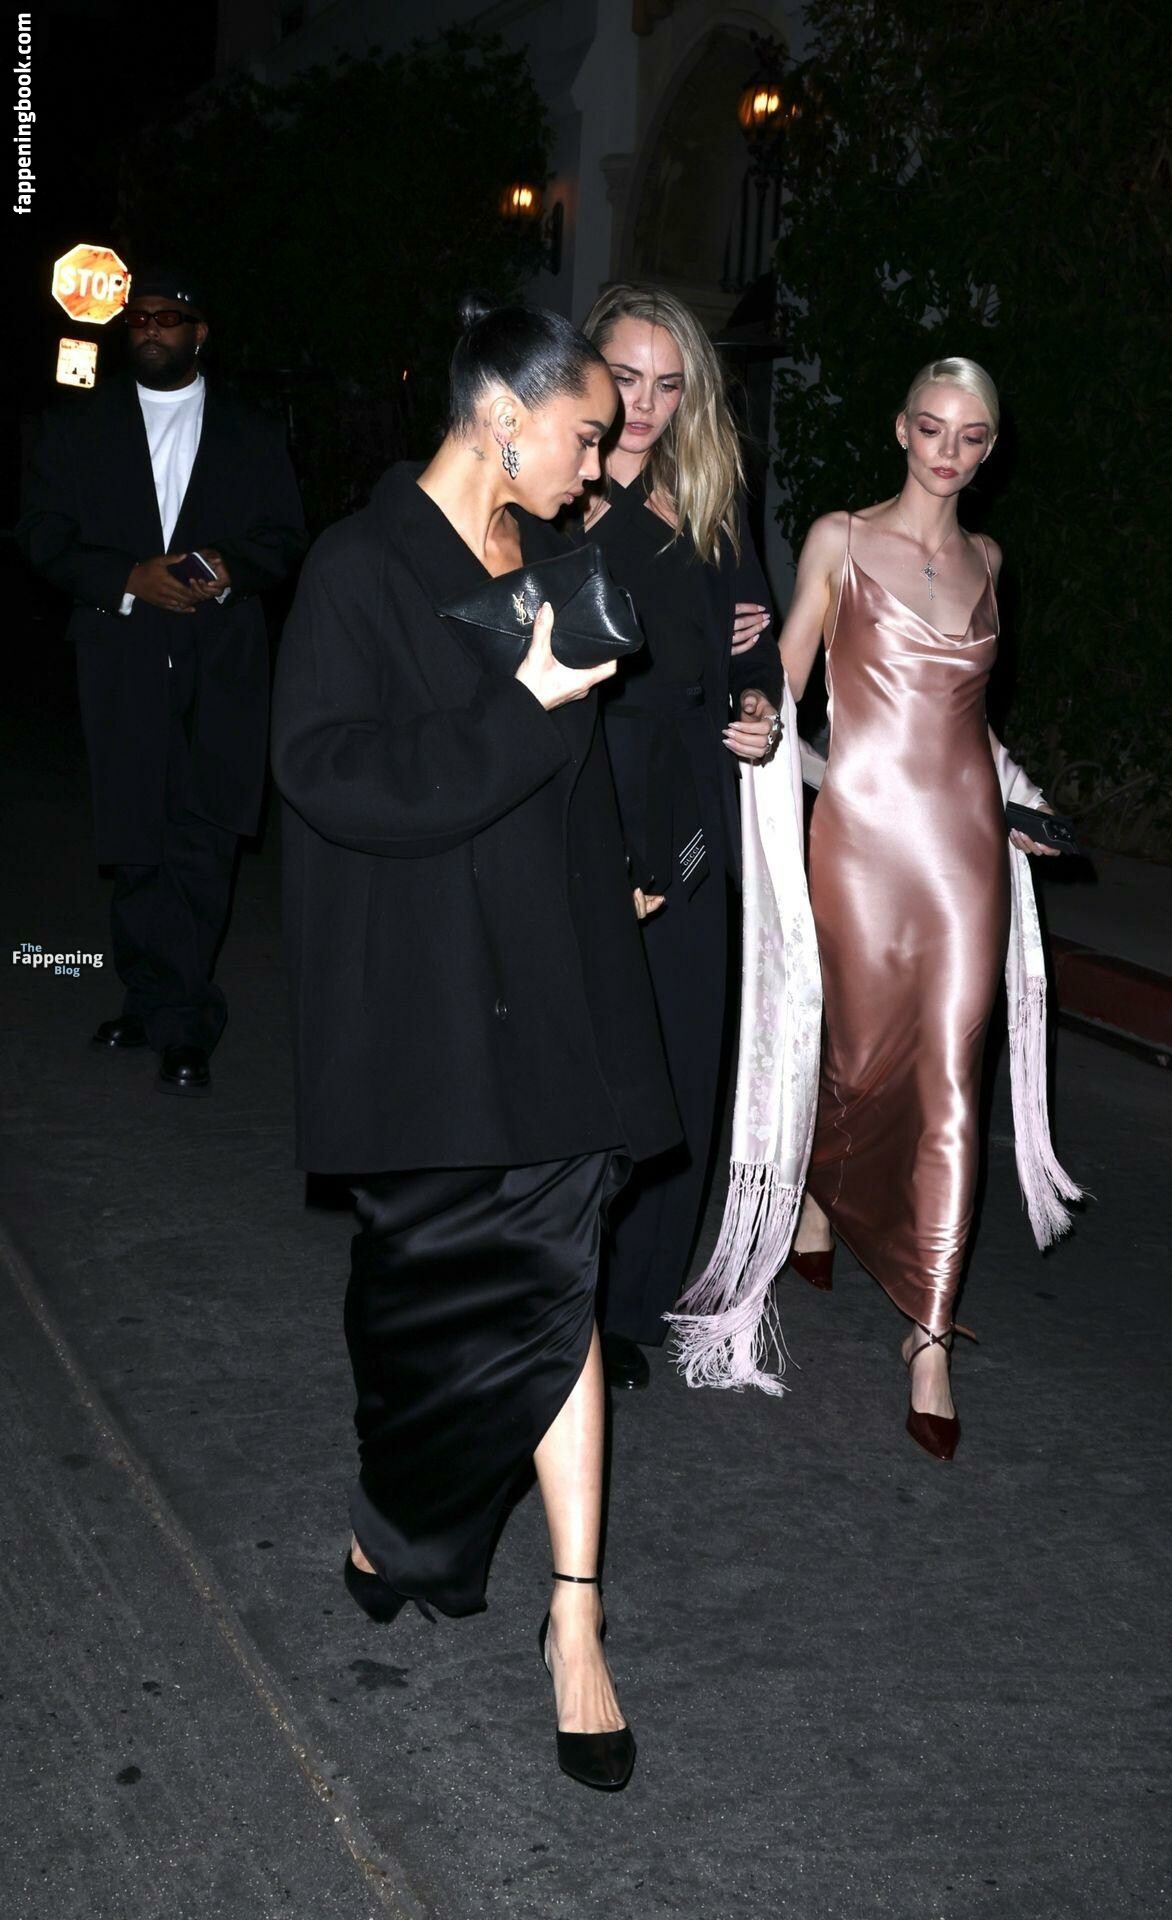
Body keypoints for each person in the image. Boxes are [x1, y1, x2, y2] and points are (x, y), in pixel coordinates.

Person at [270, 300, 679, 1792]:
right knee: (420, 1313)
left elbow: (579, 777)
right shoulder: (358, 569)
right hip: (424, 1016)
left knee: (558, 1287)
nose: (599, 466)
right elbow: (331, 779)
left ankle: (576, 1620)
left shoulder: (552, 561)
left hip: (552, 998)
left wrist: (627, 866)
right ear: (504, 417)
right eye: (585, 434)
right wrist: (520, 704)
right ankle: (398, 1516)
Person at [779, 357, 1074, 1460]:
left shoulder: (990, 562)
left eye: (972, 435)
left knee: (952, 1075)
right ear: (900, 429)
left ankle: (930, 1332)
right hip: (858, 844)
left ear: (989, 449)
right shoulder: (839, 540)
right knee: (856, 1058)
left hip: (963, 856)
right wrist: (813, 770)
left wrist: (1019, 801)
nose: (949, 451)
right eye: (932, 428)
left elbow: (967, 722)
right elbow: (785, 695)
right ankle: (823, 1187)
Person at [17, 269, 306, 1095]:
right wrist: (126, 578)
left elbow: (285, 537)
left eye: (169, 318)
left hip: (223, 663)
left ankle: (186, 1022)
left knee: (203, 835)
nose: (150, 330)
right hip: (121, 657)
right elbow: (41, 534)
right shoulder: (79, 428)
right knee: (136, 834)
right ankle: (147, 1001)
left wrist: (228, 568)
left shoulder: (251, 431)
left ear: (199, 332)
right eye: (139, 318)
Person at [571, 283, 784, 1393]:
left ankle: (634, 1301)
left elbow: (752, 642)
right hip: (587, 789)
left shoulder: (708, 489)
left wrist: (756, 703)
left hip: (691, 802)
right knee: (589, 1052)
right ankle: (564, 1296)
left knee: (682, 1049)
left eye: (668, 383)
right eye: (625, 378)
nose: (645, 404)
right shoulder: (555, 484)